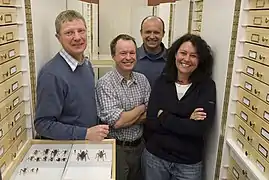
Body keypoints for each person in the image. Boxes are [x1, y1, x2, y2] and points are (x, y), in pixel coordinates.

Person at [142, 33, 216, 180]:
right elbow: (151, 121)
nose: (187, 59)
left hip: (188, 164)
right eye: (183, 53)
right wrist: (187, 118)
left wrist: (164, 116)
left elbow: (199, 128)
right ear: (175, 55)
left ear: (200, 60)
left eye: (193, 55)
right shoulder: (162, 82)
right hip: (156, 159)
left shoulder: (206, 86)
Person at [34, 10, 109, 140]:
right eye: (69, 33)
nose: (77, 37)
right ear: (58, 37)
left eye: (81, 31)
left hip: (86, 143)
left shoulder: (86, 65)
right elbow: (43, 124)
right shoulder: (51, 75)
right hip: (70, 147)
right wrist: (85, 133)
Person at [95, 34, 151, 180]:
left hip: (140, 147)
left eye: (132, 53)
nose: (128, 57)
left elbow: (151, 114)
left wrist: (126, 117)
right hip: (116, 148)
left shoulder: (142, 80)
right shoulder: (105, 83)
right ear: (113, 56)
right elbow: (117, 122)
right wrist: (140, 108)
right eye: (123, 53)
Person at [134, 16, 167, 88]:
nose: (152, 36)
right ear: (141, 33)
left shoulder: (173, 59)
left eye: (156, 32)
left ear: (163, 34)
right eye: (148, 32)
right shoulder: (131, 57)